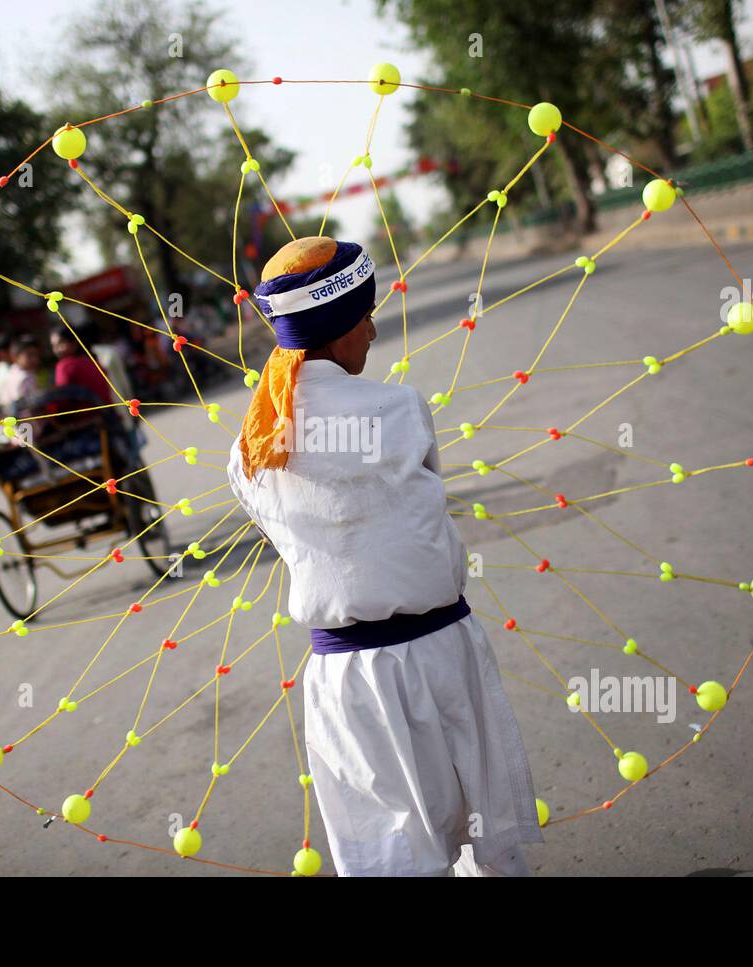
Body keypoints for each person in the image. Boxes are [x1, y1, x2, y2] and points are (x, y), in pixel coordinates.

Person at [225, 236, 542, 877]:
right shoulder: (400, 408)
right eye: (364, 315)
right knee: (480, 830)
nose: (372, 329)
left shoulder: (251, 448)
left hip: (347, 680)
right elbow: (421, 513)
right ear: (337, 324)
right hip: (439, 654)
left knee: (393, 851)